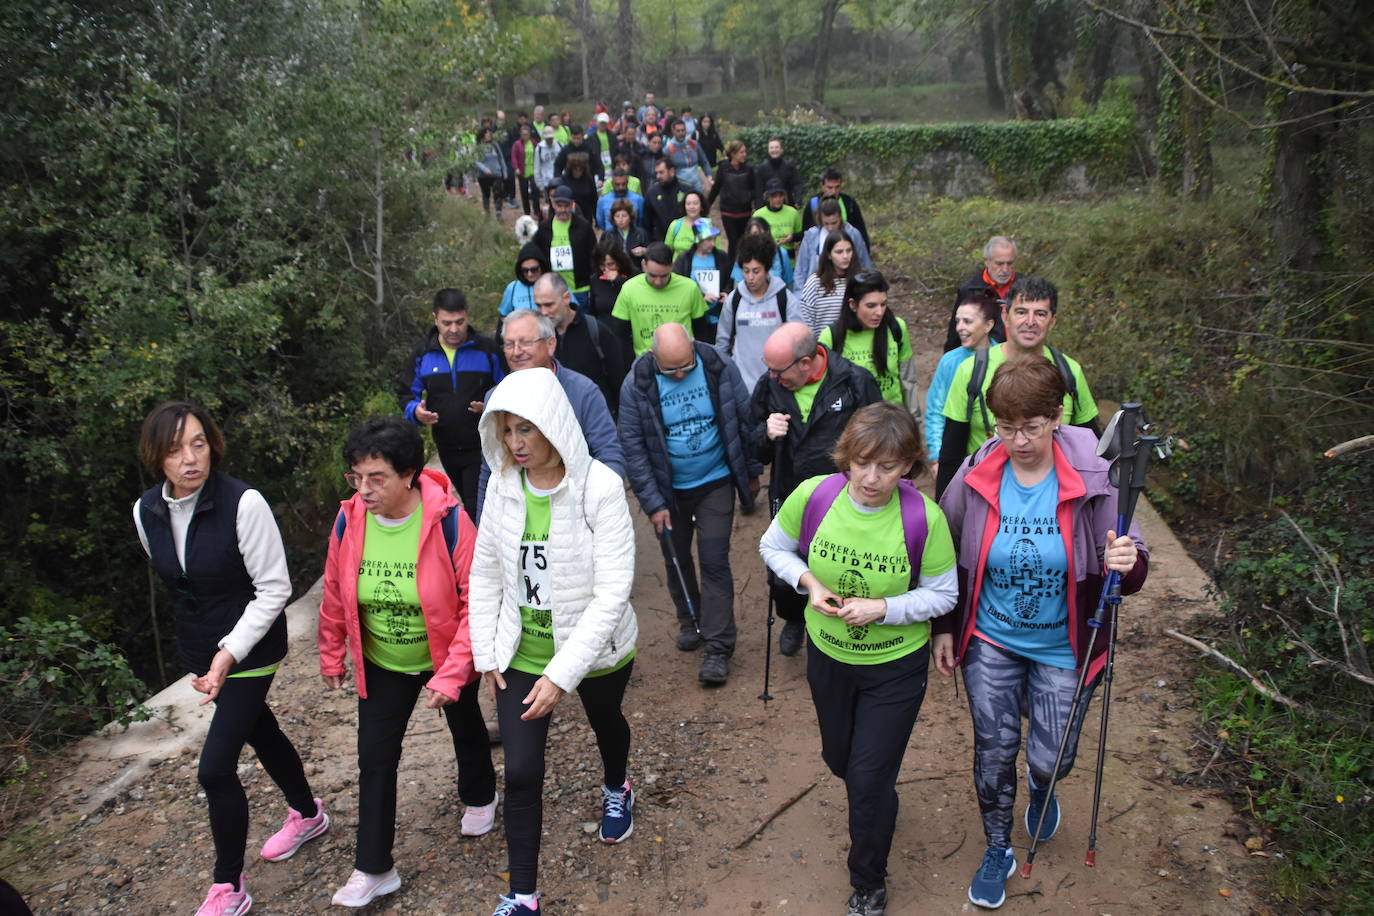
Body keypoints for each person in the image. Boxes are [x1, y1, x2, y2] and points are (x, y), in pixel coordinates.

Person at [933, 358, 1148, 909]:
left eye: (1030, 426)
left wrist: (1127, 560)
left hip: (1064, 646)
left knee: (1054, 760)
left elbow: (1133, 564)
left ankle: (1041, 781)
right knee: (993, 749)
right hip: (991, 638)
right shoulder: (981, 467)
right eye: (1005, 427)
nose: (1017, 440)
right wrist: (943, 626)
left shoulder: (1096, 475)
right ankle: (998, 847)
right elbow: (943, 541)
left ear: (1056, 417)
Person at [760, 401, 958, 916]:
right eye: (862, 463)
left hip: (895, 667)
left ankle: (868, 881)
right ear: (846, 457)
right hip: (829, 659)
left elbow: (943, 594)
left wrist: (885, 608)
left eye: (887, 467)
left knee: (868, 780)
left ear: (907, 466)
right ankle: (876, 799)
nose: (872, 478)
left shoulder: (923, 518)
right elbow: (773, 547)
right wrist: (810, 582)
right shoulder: (815, 496)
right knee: (841, 761)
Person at [134, 402, 325, 916]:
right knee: (259, 729)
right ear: (157, 457)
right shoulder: (145, 511)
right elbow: (179, 584)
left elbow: (273, 589)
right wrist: (204, 655)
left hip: (252, 649)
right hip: (202, 652)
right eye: (175, 449)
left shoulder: (244, 503)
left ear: (211, 444)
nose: (190, 458)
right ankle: (308, 813)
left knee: (215, 769)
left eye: (198, 443)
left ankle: (228, 887)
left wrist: (228, 653)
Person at [470, 368, 640, 916]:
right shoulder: (501, 486)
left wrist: (562, 675)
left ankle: (618, 784)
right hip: (521, 649)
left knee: (605, 724)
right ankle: (523, 896)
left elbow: (613, 592)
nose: (515, 444)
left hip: (596, 649)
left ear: (554, 427)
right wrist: (485, 650)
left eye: (526, 430)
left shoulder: (601, 488)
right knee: (520, 773)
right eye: (506, 432)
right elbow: (486, 573)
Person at [319, 417, 496, 908]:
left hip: (440, 652)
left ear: (410, 475)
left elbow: (474, 603)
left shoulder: (451, 522)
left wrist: (455, 672)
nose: (365, 489)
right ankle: (375, 867)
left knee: (464, 722)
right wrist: (332, 652)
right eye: (357, 477)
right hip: (382, 659)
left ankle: (480, 794)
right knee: (375, 758)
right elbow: (336, 589)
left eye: (377, 478)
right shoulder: (348, 520)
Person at [619, 323, 761, 684]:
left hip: (715, 480)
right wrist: (653, 503)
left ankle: (718, 647)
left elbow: (741, 418)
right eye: (671, 370)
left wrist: (751, 471)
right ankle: (690, 619)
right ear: (653, 358)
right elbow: (633, 449)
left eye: (686, 365)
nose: (681, 374)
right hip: (668, 490)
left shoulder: (716, 365)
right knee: (676, 557)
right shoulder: (636, 383)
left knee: (714, 561)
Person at [751, 323, 884, 657]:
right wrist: (765, 434)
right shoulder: (770, 385)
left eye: (779, 370)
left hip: (843, 496)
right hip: (788, 490)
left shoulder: (855, 381)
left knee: (842, 562)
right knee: (784, 570)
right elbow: (751, 446)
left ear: (806, 363)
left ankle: (842, 617)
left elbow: (881, 440)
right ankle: (793, 619)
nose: (773, 376)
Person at [936, 275, 1099, 498]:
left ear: (1052, 321)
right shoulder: (971, 370)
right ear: (1006, 316)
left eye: (1040, 314)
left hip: (1055, 499)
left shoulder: (1069, 372)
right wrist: (947, 519)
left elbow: (1092, 450)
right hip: (984, 496)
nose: (1030, 321)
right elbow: (951, 453)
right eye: (1021, 312)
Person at [404, 288, 506, 520]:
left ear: (467, 316)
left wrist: (490, 405)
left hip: (482, 445)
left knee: (475, 504)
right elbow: (407, 393)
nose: (454, 329)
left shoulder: (487, 349)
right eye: (447, 323)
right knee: (468, 500)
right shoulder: (423, 354)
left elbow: (506, 387)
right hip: (446, 446)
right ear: (435, 319)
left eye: (459, 322)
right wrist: (416, 412)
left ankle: (478, 552)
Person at [818, 270, 915, 408]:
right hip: (854, 421)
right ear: (853, 305)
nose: (879, 312)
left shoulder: (897, 328)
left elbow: (908, 380)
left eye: (883, 304)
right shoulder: (831, 337)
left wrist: (914, 420)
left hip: (893, 418)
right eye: (871, 306)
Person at [533, 271, 626, 413]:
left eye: (549, 305)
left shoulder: (596, 331)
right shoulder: (537, 338)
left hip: (595, 422)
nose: (543, 312)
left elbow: (619, 383)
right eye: (538, 306)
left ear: (566, 298)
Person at [926, 290, 999, 459]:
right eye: (957, 321)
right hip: (958, 455)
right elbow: (936, 409)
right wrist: (937, 455)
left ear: (988, 325)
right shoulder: (949, 361)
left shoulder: (1004, 360)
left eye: (967, 321)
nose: (959, 327)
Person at [715, 230, 789, 393]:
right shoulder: (735, 300)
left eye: (756, 271)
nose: (750, 277)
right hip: (742, 386)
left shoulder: (784, 298)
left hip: (778, 387)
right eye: (746, 271)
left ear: (767, 269)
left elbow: (798, 340)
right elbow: (722, 343)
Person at [608, 242, 710, 356]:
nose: (658, 281)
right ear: (644, 265)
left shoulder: (690, 288)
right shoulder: (629, 289)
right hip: (646, 361)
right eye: (652, 275)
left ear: (672, 266)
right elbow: (620, 334)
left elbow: (701, 331)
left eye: (663, 276)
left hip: (683, 360)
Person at [943, 236, 1015, 352]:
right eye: (999, 264)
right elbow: (954, 337)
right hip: (982, 359)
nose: (1005, 269)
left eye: (1010, 263)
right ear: (986, 261)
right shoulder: (970, 290)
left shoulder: (1025, 287)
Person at [672, 217, 734, 344]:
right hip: (692, 317)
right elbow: (678, 285)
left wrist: (725, 293)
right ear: (698, 239)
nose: (712, 243)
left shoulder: (721, 257)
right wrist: (700, 298)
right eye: (708, 239)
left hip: (717, 317)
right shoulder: (685, 258)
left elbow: (729, 279)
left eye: (713, 239)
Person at [534, 185, 596, 309]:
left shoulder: (584, 227)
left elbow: (594, 256)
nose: (563, 210)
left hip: (580, 289)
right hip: (554, 290)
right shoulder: (544, 228)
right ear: (553, 204)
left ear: (572, 204)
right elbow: (537, 256)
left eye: (566, 206)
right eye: (559, 205)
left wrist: (593, 285)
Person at [793, 198, 873, 293]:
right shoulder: (811, 236)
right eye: (826, 223)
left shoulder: (853, 234)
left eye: (834, 223)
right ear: (820, 219)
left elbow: (865, 265)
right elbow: (801, 271)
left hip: (848, 289)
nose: (830, 228)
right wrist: (800, 297)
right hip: (817, 291)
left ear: (840, 217)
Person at [797, 229, 855, 334]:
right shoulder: (815, 283)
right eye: (839, 252)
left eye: (849, 250)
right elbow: (806, 320)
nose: (845, 256)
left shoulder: (859, 280)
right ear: (829, 255)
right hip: (823, 347)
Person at [800, 167, 870, 250]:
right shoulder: (813, 204)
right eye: (830, 187)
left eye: (837, 187)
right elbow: (806, 234)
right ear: (823, 186)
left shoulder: (849, 203)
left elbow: (861, 230)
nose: (834, 191)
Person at [705, 139, 755, 252]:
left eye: (745, 152)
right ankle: (730, 267)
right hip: (728, 212)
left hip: (745, 211)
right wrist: (707, 205)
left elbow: (754, 188)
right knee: (733, 241)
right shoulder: (723, 168)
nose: (744, 155)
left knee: (744, 240)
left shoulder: (749, 169)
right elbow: (716, 187)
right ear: (733, 154)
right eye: (741, 152)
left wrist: (751, 200)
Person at [731, 216, 794, 288]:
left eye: (761, 233)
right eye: (754, 234)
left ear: (768, 232)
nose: (758, 238)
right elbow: (737, 287)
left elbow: (789, 284)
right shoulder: (742, 254)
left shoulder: (781, 253)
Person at [498, 242, 551, 318]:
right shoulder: (512, 288)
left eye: (534, 269)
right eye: (525, 270)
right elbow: (503, 316)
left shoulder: (555, 284)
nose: (530, 274)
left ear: (542, 267)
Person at [753, 178, 803, 256]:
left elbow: (801, 235)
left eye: (781, 195)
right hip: (767, 258)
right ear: (768, 197)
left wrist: (792, 237)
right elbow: (752, 239)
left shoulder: (793, 212)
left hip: (789, 260)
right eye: (774, 196)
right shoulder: (758, 215)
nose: (778, 199)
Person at [664, 117, 712, 194]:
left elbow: (704, 161)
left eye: (683, 130)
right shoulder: (668, 149)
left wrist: (709, 175)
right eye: (678, 131)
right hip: (681, 186)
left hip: (697, 183)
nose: (681, 133)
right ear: (673, 131)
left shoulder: (694, 144)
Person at [643, 156, 686, 241]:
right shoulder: (652, 193)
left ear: (672, 171)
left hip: (683, 240)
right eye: (657, 173)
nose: (658, 176)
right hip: (660, 242)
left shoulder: (686, 189)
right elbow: (647, 222)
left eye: (661, 172)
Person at [591, 236, 634, 320]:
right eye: (602, 265)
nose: (606, 269)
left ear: (619, 261)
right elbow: (593, 310)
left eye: (610, 264)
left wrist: (618, 280)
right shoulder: (595, 279)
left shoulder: (632, 275)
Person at [754, 137, 803, 207]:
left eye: (776, 147)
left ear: (781, 149)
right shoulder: (762, 168)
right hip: (768, 207)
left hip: (787, 205)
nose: (774, 150)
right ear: (768, 150)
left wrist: (798, 199)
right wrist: (758, 207)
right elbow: (758, 190)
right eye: (771, 148)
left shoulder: (790, 166)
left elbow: (797, 184)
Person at [474, 126, 510, 217]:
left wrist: (504, 170)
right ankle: (487, 213)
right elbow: (476, 161)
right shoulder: (478, 147)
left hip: (496, 173)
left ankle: (498, 213)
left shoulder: (495, 145)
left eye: (490, 132)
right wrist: (484, 169)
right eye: (486, 133)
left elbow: (501, 158)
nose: (489, 134)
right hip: (483, 175)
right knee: (486, 194)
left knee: (498, 193)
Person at [603, 199, 650, 266]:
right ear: (613, 218)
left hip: (636, 271)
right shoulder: (607, 235)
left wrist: (644, 250)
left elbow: (651, 252)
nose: (621, 219)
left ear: (630, 217)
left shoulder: (641, 233)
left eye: (624, 216)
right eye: (617, 216)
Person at [664, 190, 706, 258]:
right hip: (678, 267)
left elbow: (717, 252)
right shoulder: (675, 225)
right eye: (688, 203)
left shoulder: (708, 225)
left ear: (701, 206)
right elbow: (667, 251)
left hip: (701, 267)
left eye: (695, 203)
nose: (692, 207)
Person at [532, 127, 562, 219]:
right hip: (547, 182)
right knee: (551, 204)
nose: (550, 140)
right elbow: (537, 168)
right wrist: (540, 185)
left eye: (551, 138)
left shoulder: (559, 145)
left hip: (560, 180)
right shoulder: (539, 148)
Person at [509, 124, 538, 217]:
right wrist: (516, 168)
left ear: (529, 134)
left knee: (535, 192)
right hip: (522, 171)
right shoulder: (517, 144)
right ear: (520, 135)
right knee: (524, 192)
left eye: (527, 134)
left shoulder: (533, 143)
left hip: (533, 170)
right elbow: (514, 157)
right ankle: (527, 212)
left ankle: (537, 211)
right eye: (523, 134)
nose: (525, 136)